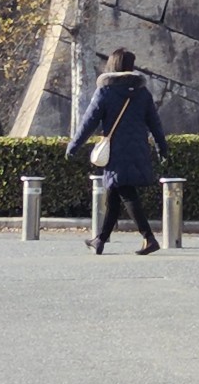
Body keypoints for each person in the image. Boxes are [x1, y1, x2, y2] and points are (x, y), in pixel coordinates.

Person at [66, 47, 170, 256]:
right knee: (114, 194)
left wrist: (73, 146)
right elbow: (155, 124)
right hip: (138, 148)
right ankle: (100, 239)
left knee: (126, 192)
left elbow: (88, 122)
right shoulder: (142, 93)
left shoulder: (106, 91)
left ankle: (148, 237)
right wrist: (162, 149)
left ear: (112, 65)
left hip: (116, 151)